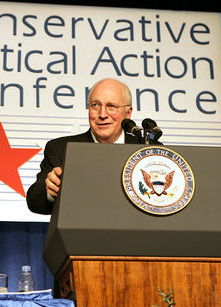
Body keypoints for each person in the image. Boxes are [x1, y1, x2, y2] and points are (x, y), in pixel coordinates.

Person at [27, 78, 144, 215]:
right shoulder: (61, 148)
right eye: (95, 105)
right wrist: (50, 191)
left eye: (111, 106)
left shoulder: (145, 148)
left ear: (128, 113)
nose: (102, 114)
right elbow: (35, 201)